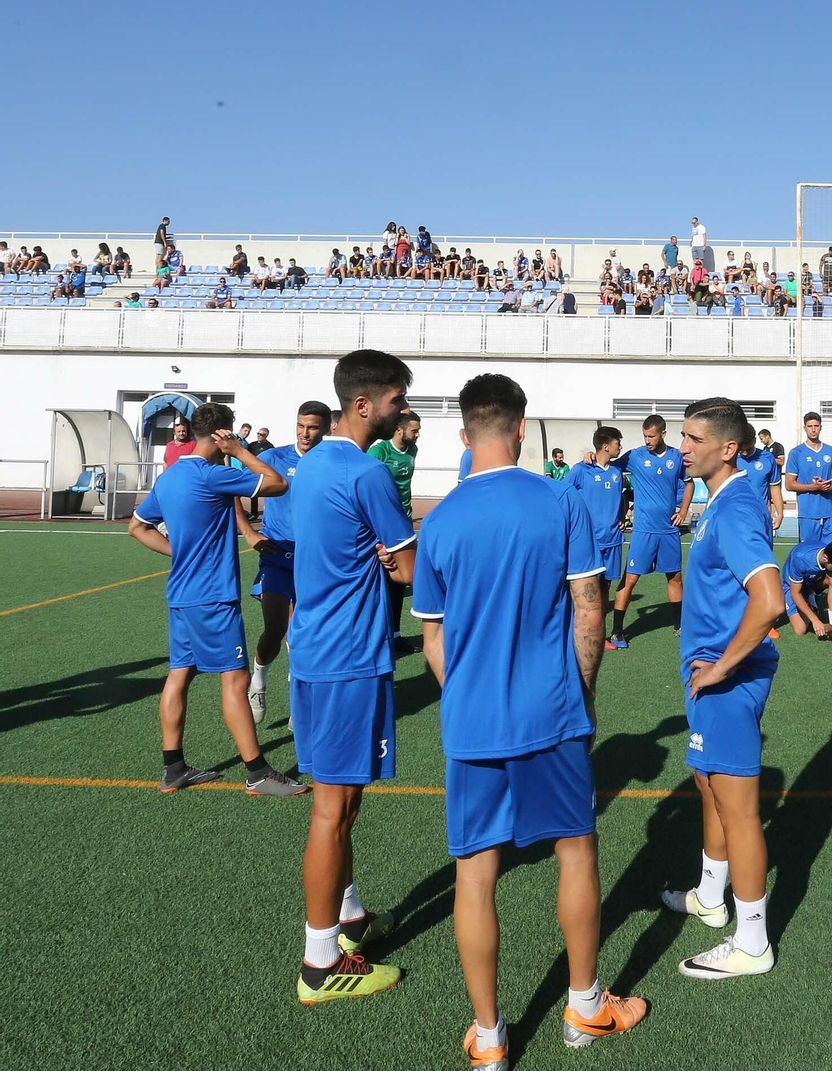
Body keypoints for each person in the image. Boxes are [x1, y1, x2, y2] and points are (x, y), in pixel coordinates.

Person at [412, 375, 648, 1059]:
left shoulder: (442, 520)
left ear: (464, 435)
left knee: (475, 872)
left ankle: (489, 1038)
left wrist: (469, 694)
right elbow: (590, 607)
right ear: (522, 429)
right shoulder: (558, 499)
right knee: (575, 849)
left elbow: (434, 637)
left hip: (472, 720)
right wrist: (585, 694)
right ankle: (584, 1007)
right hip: (551, 711)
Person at [289, 349, 418, 1003]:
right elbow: (411, 570)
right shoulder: (369, 474)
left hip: (316, 651)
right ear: (364, 404)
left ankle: (347, 917)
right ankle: (319, 964)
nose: (403, 414)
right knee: (332, 810)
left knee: (345, 801)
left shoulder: (310, 465)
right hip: (349, 657)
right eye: (397, 401)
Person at [659, 397, 784, 980]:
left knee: (739, 812)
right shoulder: (721, 499)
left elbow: (770, 600)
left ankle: (753, 942)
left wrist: (722, 667)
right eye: (683, 437)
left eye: (692, 438)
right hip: (711, 671)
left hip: (726, 676)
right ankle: (711, 897)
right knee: (708, 784)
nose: (682, 447)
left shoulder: (733, 508)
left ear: (727, 448)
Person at [126, 402, 304, 795]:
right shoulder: (213, 475)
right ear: (223, 434)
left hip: (181, 594)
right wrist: (241, 452)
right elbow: (277, 484)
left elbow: (137, 527)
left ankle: (173, 768)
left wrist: (180, 552)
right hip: (213, 597)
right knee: (236, 677)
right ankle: (257, 772)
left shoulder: (170, 477)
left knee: (180, 675)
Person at [237, 401, 331, 725]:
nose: (305, 433)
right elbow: (230, 488)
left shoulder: (330, 463)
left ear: (327, 428)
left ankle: (298, 705)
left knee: (300, 636)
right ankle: (258, 681)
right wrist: (248, 532)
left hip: (314, 562)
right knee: (275, 630)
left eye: (313, 427)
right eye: (301, 426)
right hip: (276, 557)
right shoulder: (273, 458)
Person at [607, 414, 694, 649]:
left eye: (651, 436)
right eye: (645, 436)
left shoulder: (676, 457)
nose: (647, 440)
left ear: (663, 434)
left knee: (675, 577)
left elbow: (689, 483)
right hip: (644, 531)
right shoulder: (635, 456)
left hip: (668, 531)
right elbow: (607, 464)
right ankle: (616, 631)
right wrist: (592, 457)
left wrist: (683, 509)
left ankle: (680, 625)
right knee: (631, 579)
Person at [568, 428, 629, 647]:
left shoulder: (616, 471)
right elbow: (564, 495)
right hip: (589, 541)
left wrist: (622, 514)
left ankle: (599, 635)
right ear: (605, 446)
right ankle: (575, 632)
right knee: (585, 589)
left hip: (613, 539)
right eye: (617, 443)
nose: (620, 447)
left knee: (604, 589)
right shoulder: (580, 470)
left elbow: (620, 497)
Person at [368, 412, 420, 653]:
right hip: (380, 525)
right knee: (376, 580)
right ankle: (373, 636)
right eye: (414, 430)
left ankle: (395, 635)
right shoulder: (379, 451)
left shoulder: (412, 450)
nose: (417, 435)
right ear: (399, 430)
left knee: (399, 580)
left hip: (403, 524)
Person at [784, 412, 832, 544]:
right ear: (805, 428)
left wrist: (828, 486)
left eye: (816, 426)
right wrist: (813, 487)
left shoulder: (831, 451)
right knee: (808, 554)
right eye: (810, 426)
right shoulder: (796, 453)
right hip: (808, 514)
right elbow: (789, 484)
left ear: (821, 427)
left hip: (829, 514)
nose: (813, 429)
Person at [779, 539, 832, 641]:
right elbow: (795, 593)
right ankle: (810, 602)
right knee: (800, 629)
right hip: (794, 586)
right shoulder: (800, 558)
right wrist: (814, 620)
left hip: (815, 581)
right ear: (825, 558)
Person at [736, 432, 784, 531]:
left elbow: (775, 487)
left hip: (761, 515)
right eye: (741, 449)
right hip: (737, 516)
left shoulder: (767, 458)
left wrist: (780, 514)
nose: (744, 453)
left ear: (754, 441)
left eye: (748, 449)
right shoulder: (729, 458)